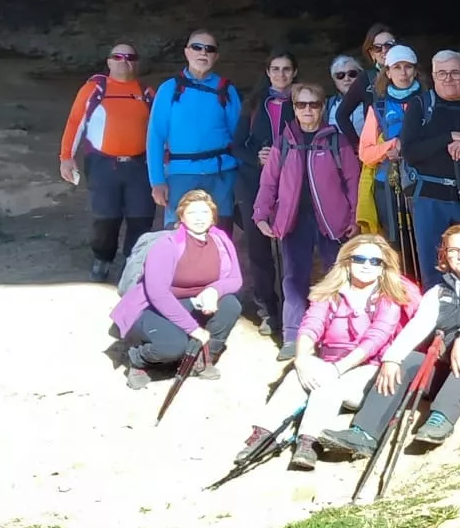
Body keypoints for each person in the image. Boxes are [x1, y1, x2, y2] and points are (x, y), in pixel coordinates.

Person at [320, 224, 460, 457]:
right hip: (450, 371)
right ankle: (364, 434)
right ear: (445, 254)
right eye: (452, 250)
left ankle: (441, 417)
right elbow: (418, 326)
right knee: (404, 360)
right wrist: (391, 359)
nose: (459, 255)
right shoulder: (438, 292)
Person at [245, 233, 408, 470]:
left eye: (375, 261)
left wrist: (337, 369)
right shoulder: (330, 293)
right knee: (295, 377)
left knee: (329, 385)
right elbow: (311, 325)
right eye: (359, 259)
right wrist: (302, 360)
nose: (366, 266)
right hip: (328, 361)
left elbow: (375, 339)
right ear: (347, 262)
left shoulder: (388, 299)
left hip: (367, 369)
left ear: (384, 268)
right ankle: (265, 434)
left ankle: (308, 442)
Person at [254, 83, 362, 361]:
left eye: (313, 104)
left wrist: (355, 217)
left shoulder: (336, 141)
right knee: (293, 278)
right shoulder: (284, 142)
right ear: (294, 107)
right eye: (301, 104)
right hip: (293, 220)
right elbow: (269, 182)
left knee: (335, 276)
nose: (307, 110)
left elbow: (353, 182)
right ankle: (293, 335)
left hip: (332, 220)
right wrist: (261, 213)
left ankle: (335, 334)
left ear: (322, 107)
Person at [110, 189, 244, 388]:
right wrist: (194, 329)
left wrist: (214, 290)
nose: (199, 219)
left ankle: (203, 356)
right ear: (181, 216)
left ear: (213, 216)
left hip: (194, 302)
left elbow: (235, 279)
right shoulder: (167, 245)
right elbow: (158, 294)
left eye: (204, 213)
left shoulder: (220, 239)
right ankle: (139, 359)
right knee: (173, 348)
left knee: (231, 305)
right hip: (153, 308)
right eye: (192, 213)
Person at [59, 41, 156, 281]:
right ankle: (102, 258)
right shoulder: (95, 89)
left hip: (139, 165)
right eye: (118, 56)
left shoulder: (146, 92)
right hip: (104, 164)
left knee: (141, 216)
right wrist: (66, 157)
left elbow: (160, 131)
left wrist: (163, 162)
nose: (124, 61)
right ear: (109, 61)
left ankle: (133, 264)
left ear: (137, 62)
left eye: (130, 57)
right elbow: (75, 122)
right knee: (105, 217)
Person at [400, 50, 460, 275]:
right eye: (442, 73)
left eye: (455, 73)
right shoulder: (421, 105)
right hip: (430, 198)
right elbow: (410, 152)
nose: (448, 78)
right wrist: (450, 136)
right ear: (433, 76)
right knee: (434, 267)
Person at [145, 29, 242, 225]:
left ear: (216, 56)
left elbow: (238, 137)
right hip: (181, 175)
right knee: (179, 237)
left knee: (220, 237)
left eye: (209, 49)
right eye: (197, 47)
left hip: (221, 175)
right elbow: (155, 136)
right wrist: (157, 181)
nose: (203, 53)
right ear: (187, 52)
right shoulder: (169, 89)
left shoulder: (227, 90)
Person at [233, 49, 296, 339]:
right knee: (258, 249)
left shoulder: (302, 101)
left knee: (291, 248)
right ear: (267, 72)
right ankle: (268, 308)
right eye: (275, 69)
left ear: (294, 73)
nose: (281, 74)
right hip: (254, 184)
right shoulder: (254, 103)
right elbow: (236, 145)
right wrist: (256, 157)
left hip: (292, 184)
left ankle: (293, 307)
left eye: (286, 69)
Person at [356, 43, 423, 244]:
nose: (403, 73)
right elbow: (365, 154)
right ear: (388, 72)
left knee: (426, 244)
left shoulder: (429, 101)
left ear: (416, 70)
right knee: (397, 246)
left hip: (424, 183)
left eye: (408, 66)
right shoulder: (379, 108)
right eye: (397, 67)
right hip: (388, 186)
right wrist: (390, 147)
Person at [334, 25, 396, 144]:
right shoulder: (366, 79)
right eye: (377, 48)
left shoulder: (410, 74)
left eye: (389, 45)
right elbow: (341, 115)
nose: (384, 50)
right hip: (378, 153)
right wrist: (359, 146)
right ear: (371, 54)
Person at [325, 55, 363, 130]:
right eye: (340, 75)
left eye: (352, 74)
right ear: (334, 79)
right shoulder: (328, 105)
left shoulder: (372, 100)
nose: (346, 79)